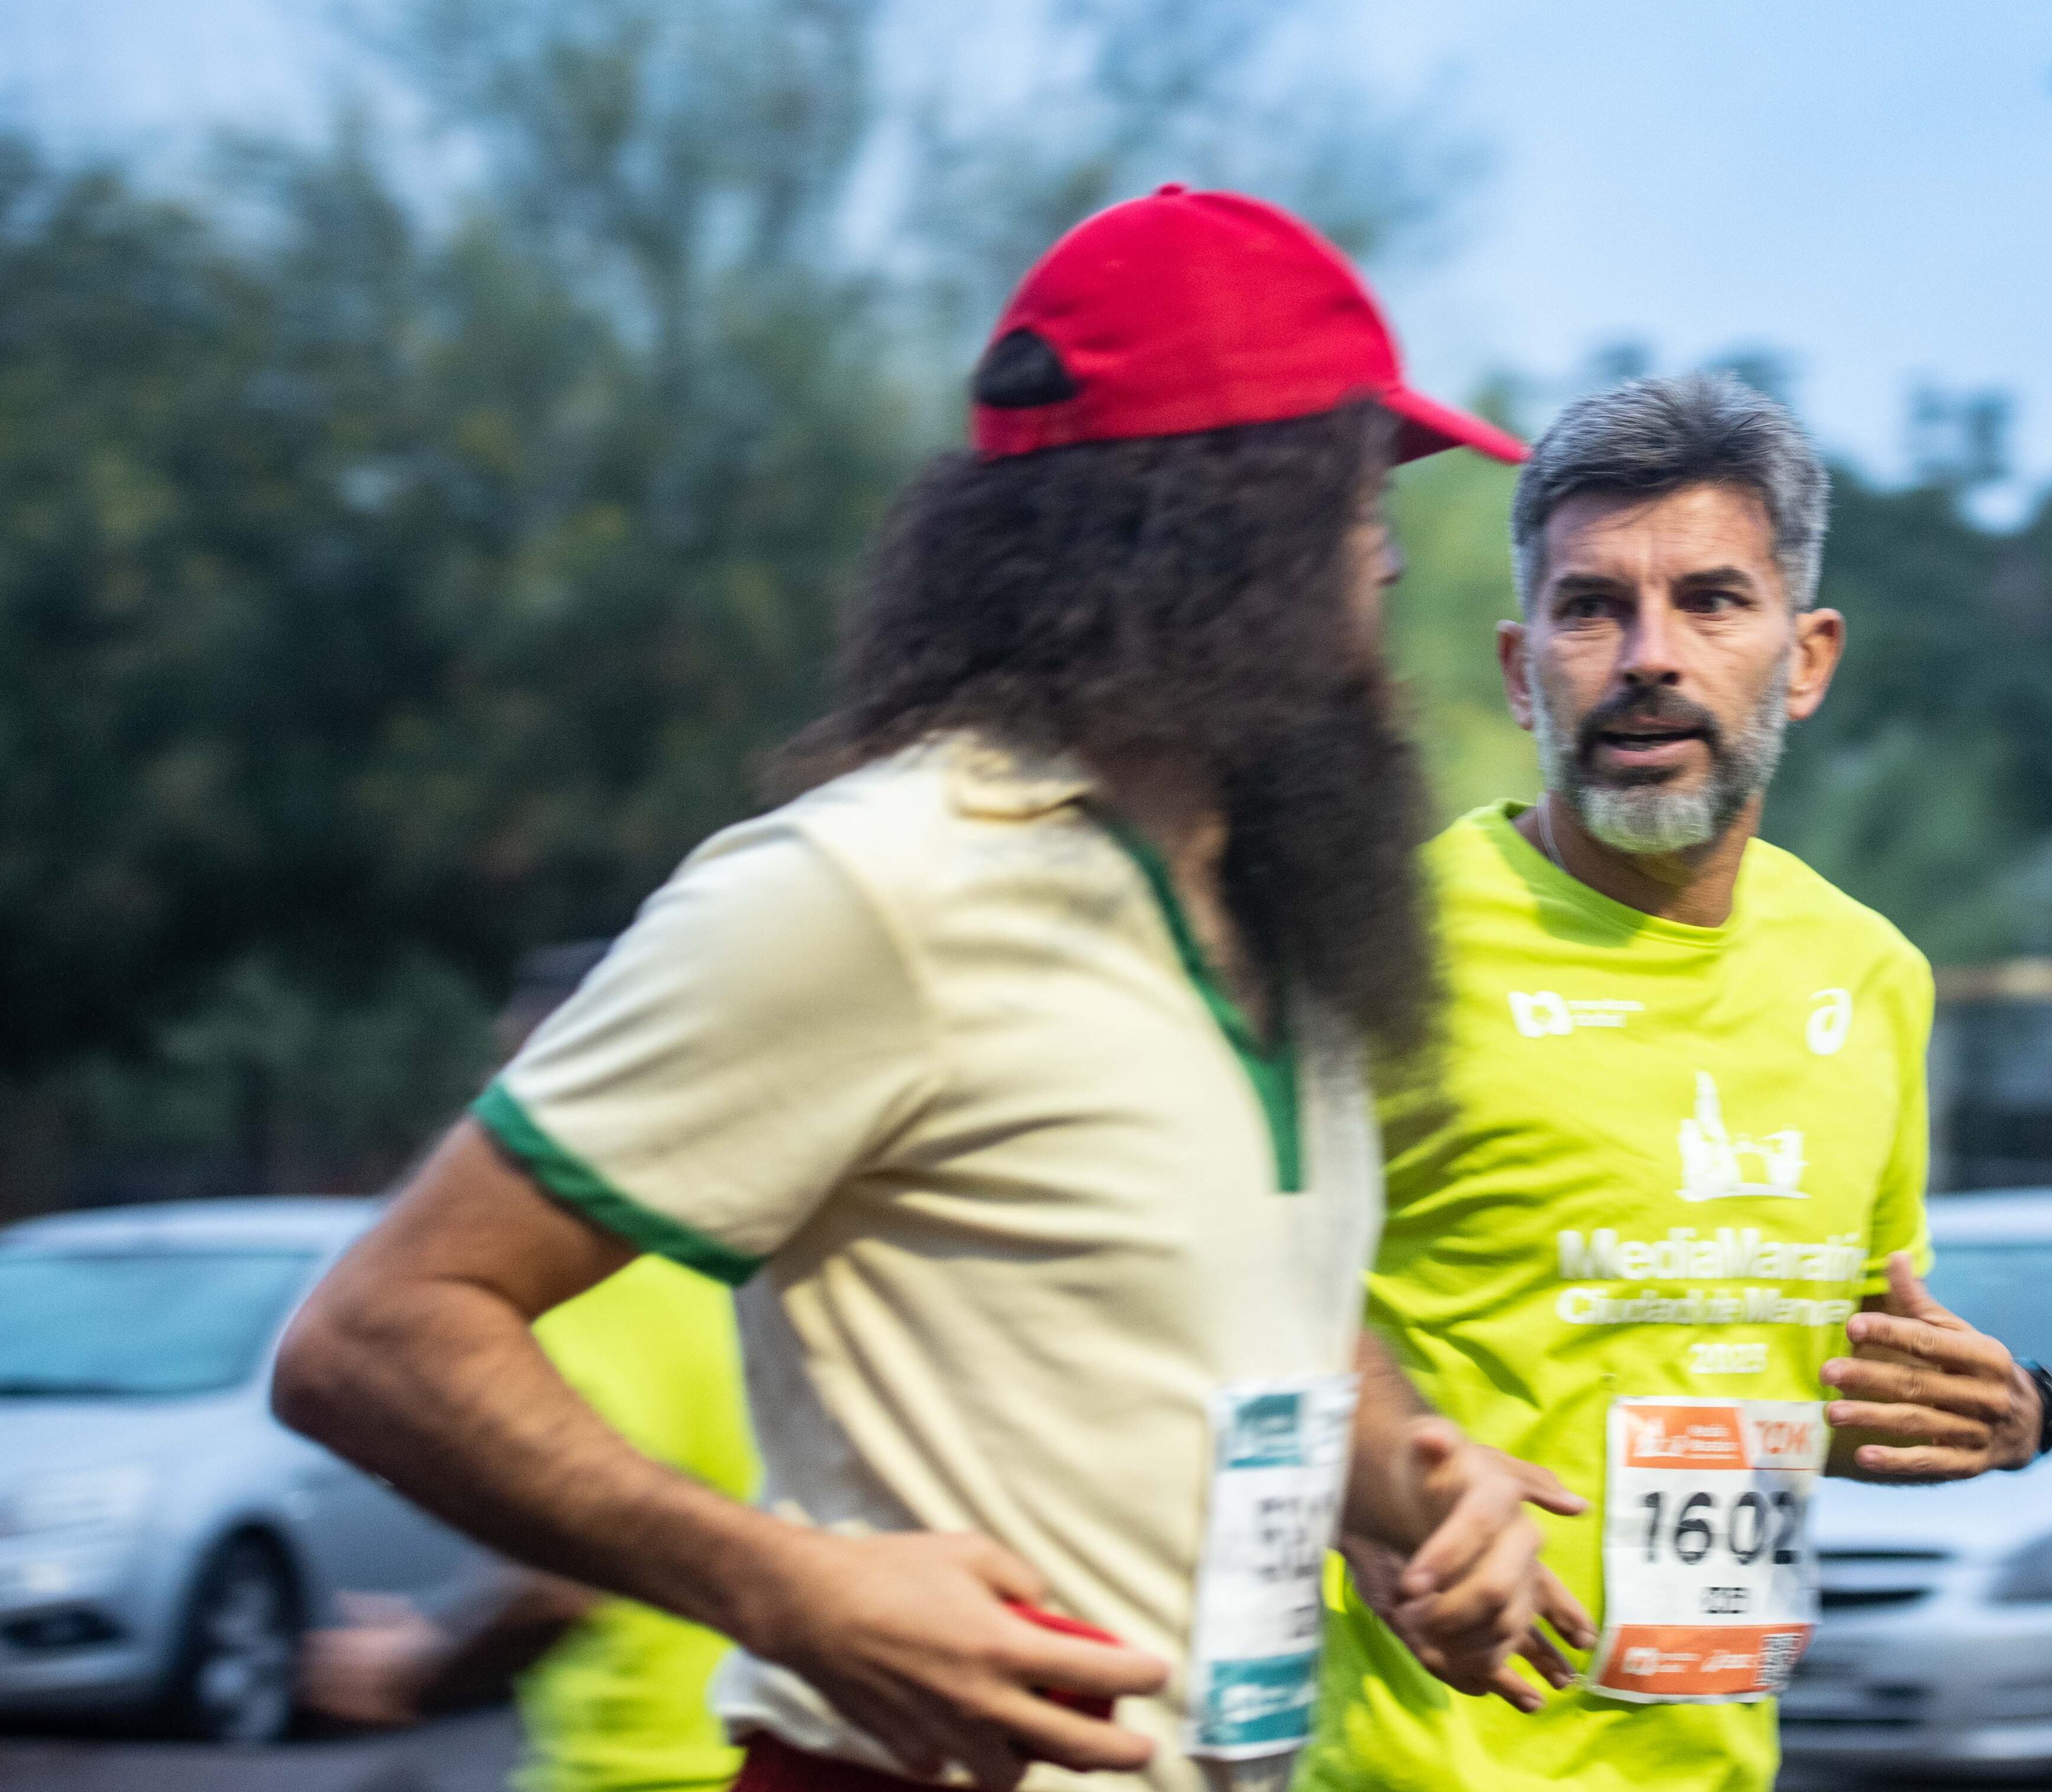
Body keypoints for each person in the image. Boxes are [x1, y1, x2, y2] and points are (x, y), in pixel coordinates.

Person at [276, 186, 1585, 1792]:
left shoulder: (1282, 920)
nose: (1380, 564)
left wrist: (1406, 1483)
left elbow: (1244, 1330)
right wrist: (785, 1583)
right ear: (1214, 531)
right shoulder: (867, 886)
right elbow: (377, 1334)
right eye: (1351, 499)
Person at [1298, 373, 2052, 1792]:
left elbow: (1786, 1366)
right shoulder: (1371, 947)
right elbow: (1220, 1312)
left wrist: (2018, 1414)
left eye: (1711, 599)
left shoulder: (1871, 975)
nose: (1650, 655)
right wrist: (1368, 1483)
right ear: (1523, 670)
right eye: (1593, 608)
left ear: (1808, 654)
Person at [299, 942, 757, 1792]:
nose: (486, 1115)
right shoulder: (748, 1249)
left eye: (510, 1075)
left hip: (643, 1771)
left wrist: (418, 1665)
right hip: (783, 1751)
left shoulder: (582, 1284)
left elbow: (563, 1587)